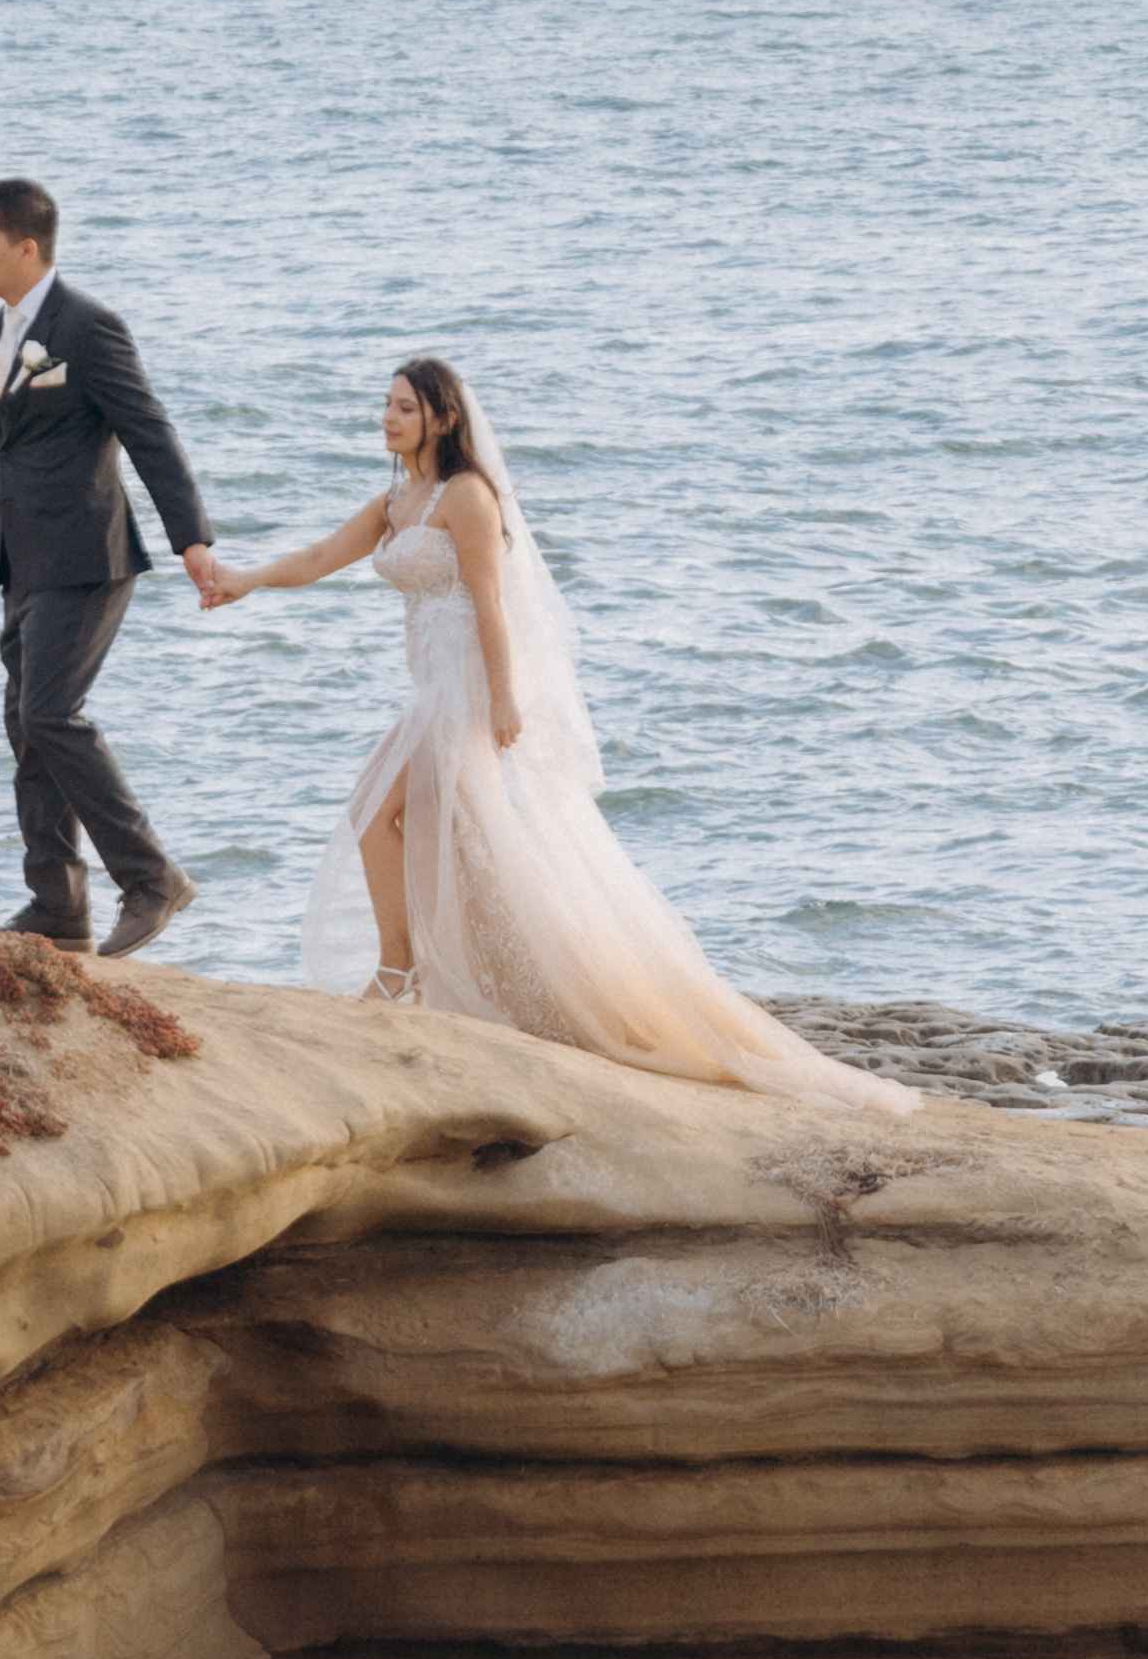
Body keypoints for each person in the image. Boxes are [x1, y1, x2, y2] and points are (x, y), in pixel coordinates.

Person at [209, 352, 910, 1114]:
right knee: (438, 835)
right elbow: (319, 558)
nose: (388, 418)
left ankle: (402, 972)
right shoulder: (399, 498)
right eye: (386, 405)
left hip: (468, 691)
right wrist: (241, 581)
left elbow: (491, 604)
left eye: (405, 408)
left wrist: (505, 700)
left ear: (444, 418)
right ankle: (440, 975)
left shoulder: (466, 498)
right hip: (431, 692)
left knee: (387, 818)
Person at [0, 178, 220, 958]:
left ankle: (151, 878)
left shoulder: (89, 327)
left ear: (25, 249)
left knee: (50, 715)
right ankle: (57, 905)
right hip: (21, 565)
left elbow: (149, 431)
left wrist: (191, 539)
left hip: (91, 559)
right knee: (24, 727)